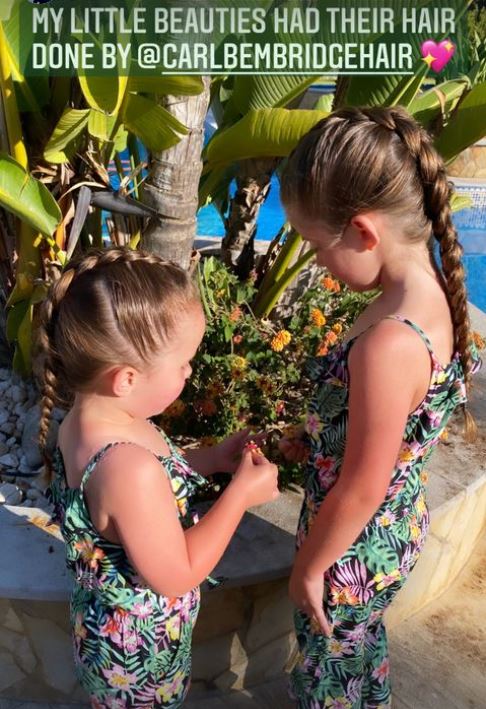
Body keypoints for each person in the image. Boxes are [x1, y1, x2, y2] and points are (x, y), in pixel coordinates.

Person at [279, 106, 481, 708]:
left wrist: (309, 569)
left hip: (352, 548)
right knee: (356, 651)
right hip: (391, 529)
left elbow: (362, 486)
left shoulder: (390, 341)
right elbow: (390, 433)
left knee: (330, 670)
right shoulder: (434, 295)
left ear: (365, 232)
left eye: (317, 245)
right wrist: (316, 436)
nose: (315, 261)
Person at [36, 247, 279, 708]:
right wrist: (240, 496)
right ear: (126, 378)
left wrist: (208, 460)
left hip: (108, 633)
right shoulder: (128, 467)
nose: (190, 371)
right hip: (139, 659)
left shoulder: (90, 419)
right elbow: (176, 575)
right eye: (183, 363)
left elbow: (139, 491)